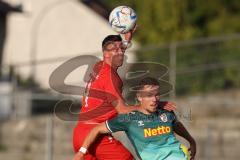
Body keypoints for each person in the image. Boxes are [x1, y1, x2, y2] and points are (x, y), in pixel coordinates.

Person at [73, 29, 176, 160]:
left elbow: (115, 52)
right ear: (106, 53)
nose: (121, 52)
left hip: (80, 134)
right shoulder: (110, 78)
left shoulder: (99, 66)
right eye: (117, 50)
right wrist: (153, 104)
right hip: (95, 136)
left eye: (122, 49)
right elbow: (122, 110)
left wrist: (126, 40)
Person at [74, 77, 196, 160]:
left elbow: (176, 125)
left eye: (156, 94)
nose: (154, 99)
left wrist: (191, 141)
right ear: (139, 97)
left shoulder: (166, 112)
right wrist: (81, 152)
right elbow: (97, 130)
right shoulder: (128, 119)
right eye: (149, 95)